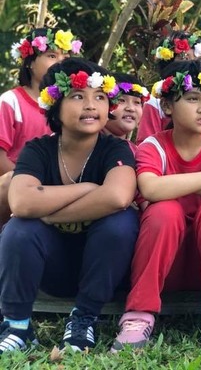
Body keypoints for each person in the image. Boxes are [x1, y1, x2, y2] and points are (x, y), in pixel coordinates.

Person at [112, 60, 201, 351]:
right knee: (164, 210)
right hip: (165, 266)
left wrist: (185, 184)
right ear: (167, 106)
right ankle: (139, 314)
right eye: (193, 99)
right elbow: (150, 188)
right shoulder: (154, 146)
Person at [0, 58, 139, 355]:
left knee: (120, 221)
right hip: (52, 268)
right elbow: (22, 201)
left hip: (104, 268)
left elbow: (117, 196)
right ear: (55, 105)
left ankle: (83, 318)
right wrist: (87, 189)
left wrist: (48, 215)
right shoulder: (38, 150)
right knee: (19, 228)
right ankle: (18, 325)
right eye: (78, 96)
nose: (91, 105)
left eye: (100, 97)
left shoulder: (115, 148)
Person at [0, 27, 81, 224]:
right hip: (16, 183)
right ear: (29, 63)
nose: (61, 62)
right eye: (52, 55)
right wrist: (30, 181)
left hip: (56, 186)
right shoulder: (10, 101)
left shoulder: (73, 105)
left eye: (65, 56)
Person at [135, 30, 201, 144]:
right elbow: (145, 145)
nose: (192, 64)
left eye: (198, 60)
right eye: (185, 58)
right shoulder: (154, 103)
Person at [103, 72, 149, 147]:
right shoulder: (86, 143)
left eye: (137, 102)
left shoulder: (137, 153)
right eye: (121, 100)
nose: (131, 108)